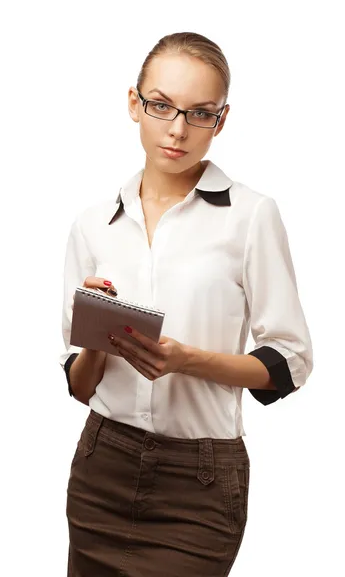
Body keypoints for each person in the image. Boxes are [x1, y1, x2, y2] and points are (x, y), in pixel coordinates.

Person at [60, 31, 313, 576]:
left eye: (200, 113)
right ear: (135, 103)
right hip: (101, 466)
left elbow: (290, 362)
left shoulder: (249, 216)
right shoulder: (92, 225)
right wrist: (98, 341)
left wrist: (186, 361)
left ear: (220, 120)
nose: (178, 129)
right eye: (162, 106)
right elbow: (81, 386)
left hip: (198, 483)